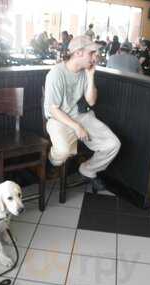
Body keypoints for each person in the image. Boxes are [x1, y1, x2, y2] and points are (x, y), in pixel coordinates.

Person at [44, 35, 121, 190]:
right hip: (58, 118)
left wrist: (91, 77)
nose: (96, 57)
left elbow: (91, 101)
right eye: (92, 53)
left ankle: (87, 170)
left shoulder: (85, 72)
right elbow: (53, 109)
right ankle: (51, 161)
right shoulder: (56, 73)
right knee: (64, 151)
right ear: (78, 52)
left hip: (80, 116)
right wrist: (76, 127)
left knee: (113, 144)